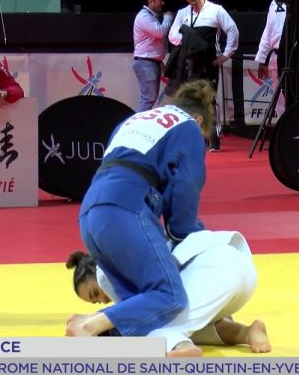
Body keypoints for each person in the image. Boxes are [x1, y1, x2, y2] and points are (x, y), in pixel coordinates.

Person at [67, 80, 215, 356]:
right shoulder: (188, 126)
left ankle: (170, 345)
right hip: (126, 209)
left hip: (91, 210)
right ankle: (88, 325)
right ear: (198, 119)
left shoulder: (136, 119)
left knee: (140, 301)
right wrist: (183, 233)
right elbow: (186, 184)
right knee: (169, 294)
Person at [65, 230, 271, 356]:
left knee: (155, 326)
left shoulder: (104, 271)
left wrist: (92, 323)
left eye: (95, 294)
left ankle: (180, 347)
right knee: (192, 328)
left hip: (217, 271)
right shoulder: (124, 253)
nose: (102, 300)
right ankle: (247, 332)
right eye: (96, 303)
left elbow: (143, 314)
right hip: (242, 274)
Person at [165, 0, 238, 152]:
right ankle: (196, 138)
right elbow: (172, 35)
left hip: (210, 63)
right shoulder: (183, 13)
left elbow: (232, 29)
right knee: (191, 101)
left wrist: (226, 54)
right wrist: (191, 44)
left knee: (210, 100)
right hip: (190, 63)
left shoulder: (216, 10)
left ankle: (214, 139)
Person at [133, 0, 174, 111]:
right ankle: (138, 126)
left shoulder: (150, 16)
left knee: (150, 98)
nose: (163, 3)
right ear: (150, 1)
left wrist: (159, 62)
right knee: (148, 98)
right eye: (160, 0)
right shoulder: (144, 16)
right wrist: (168, 18)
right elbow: (160, 32)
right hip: (146, 63)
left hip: (151, 61)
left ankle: (141, 125)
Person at [254, 0, 286, 80]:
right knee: (278, 92)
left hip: (294, 57)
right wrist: (263, 59)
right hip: (275, 58)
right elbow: (268, 31)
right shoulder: (274, 2)